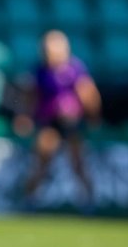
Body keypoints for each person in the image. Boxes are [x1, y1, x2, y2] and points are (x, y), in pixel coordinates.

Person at [21, 30, 101, 204]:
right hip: (49, 122)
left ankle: (89, 200)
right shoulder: (40, 71)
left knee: (78, 164)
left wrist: (93, 117)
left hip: (72, 124)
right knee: (41, 161)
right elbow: (31, 95)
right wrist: (26, 116)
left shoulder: (75, 69)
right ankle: (29, 199)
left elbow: (89, 95)